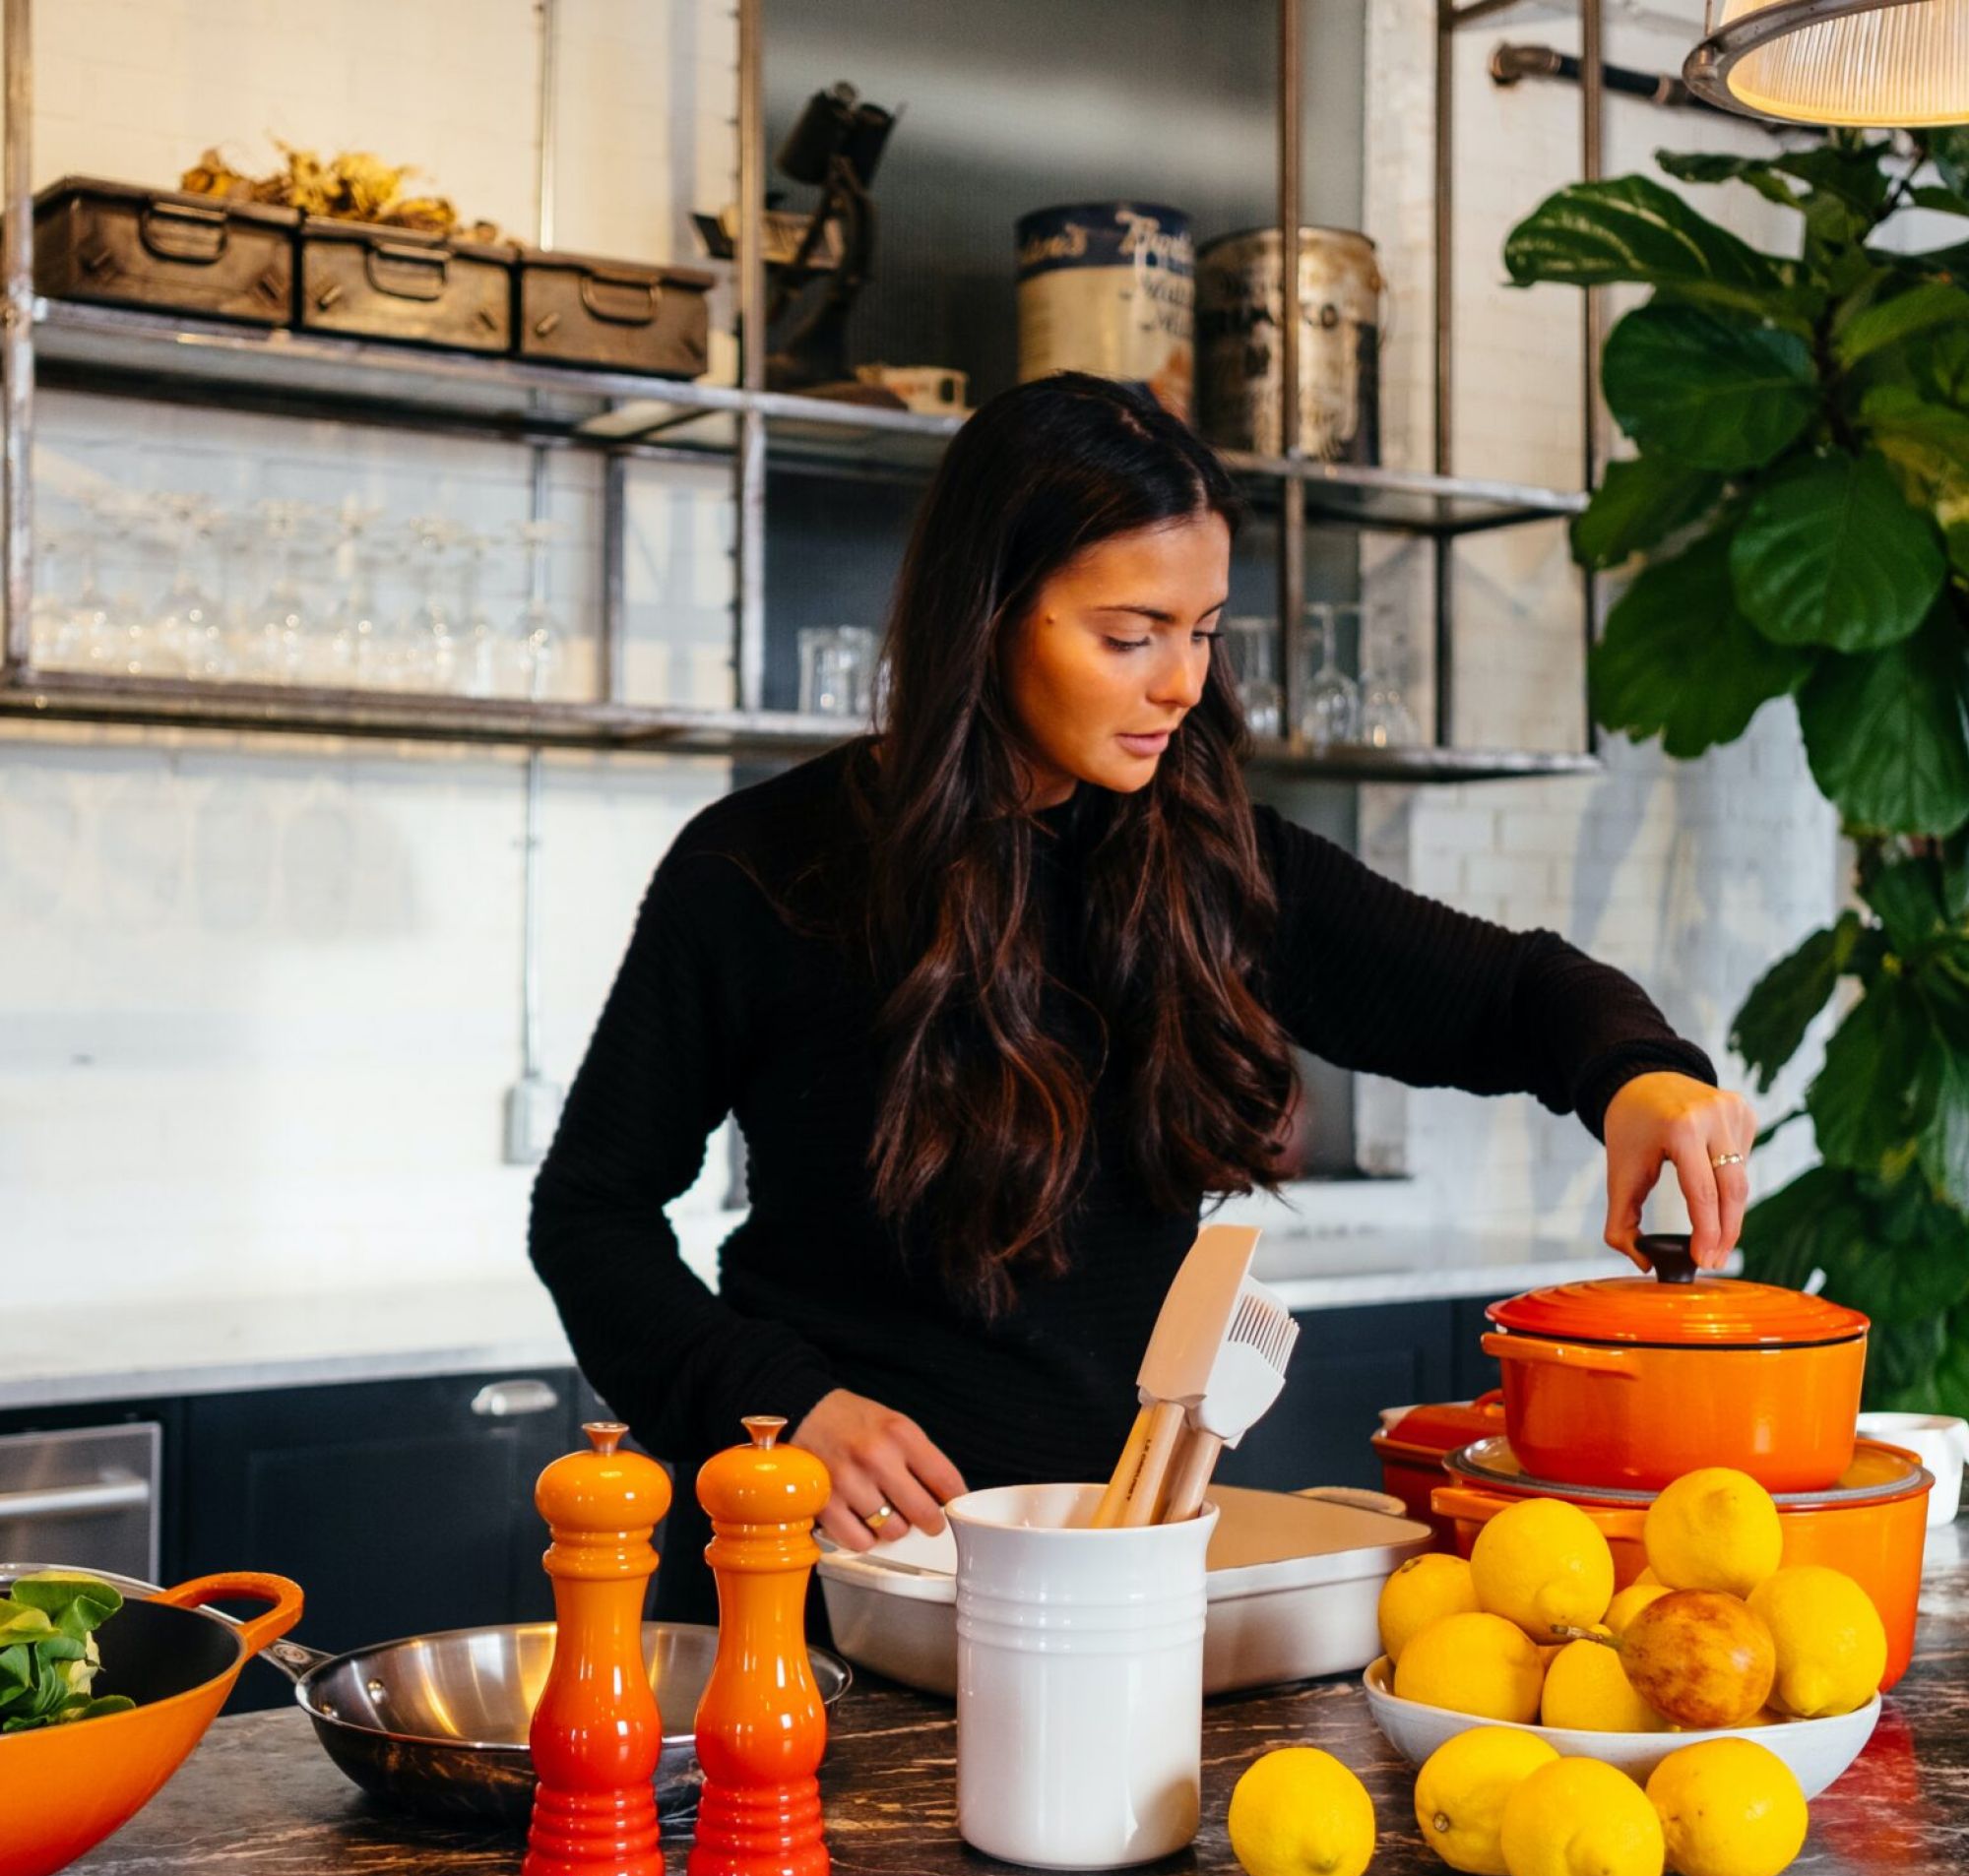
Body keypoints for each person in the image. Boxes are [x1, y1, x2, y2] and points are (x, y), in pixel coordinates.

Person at [529, 372, 1754, 1621]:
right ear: (990, 614)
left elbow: (1509, 993)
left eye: (1202, 629)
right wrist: (782, 1404)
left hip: (1114, 1583)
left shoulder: (1211, 860)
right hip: (821, 1589)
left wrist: (1636, 1072)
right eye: (1130, 636)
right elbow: (589, 1215)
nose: (1180, 683)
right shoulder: (759, 871)